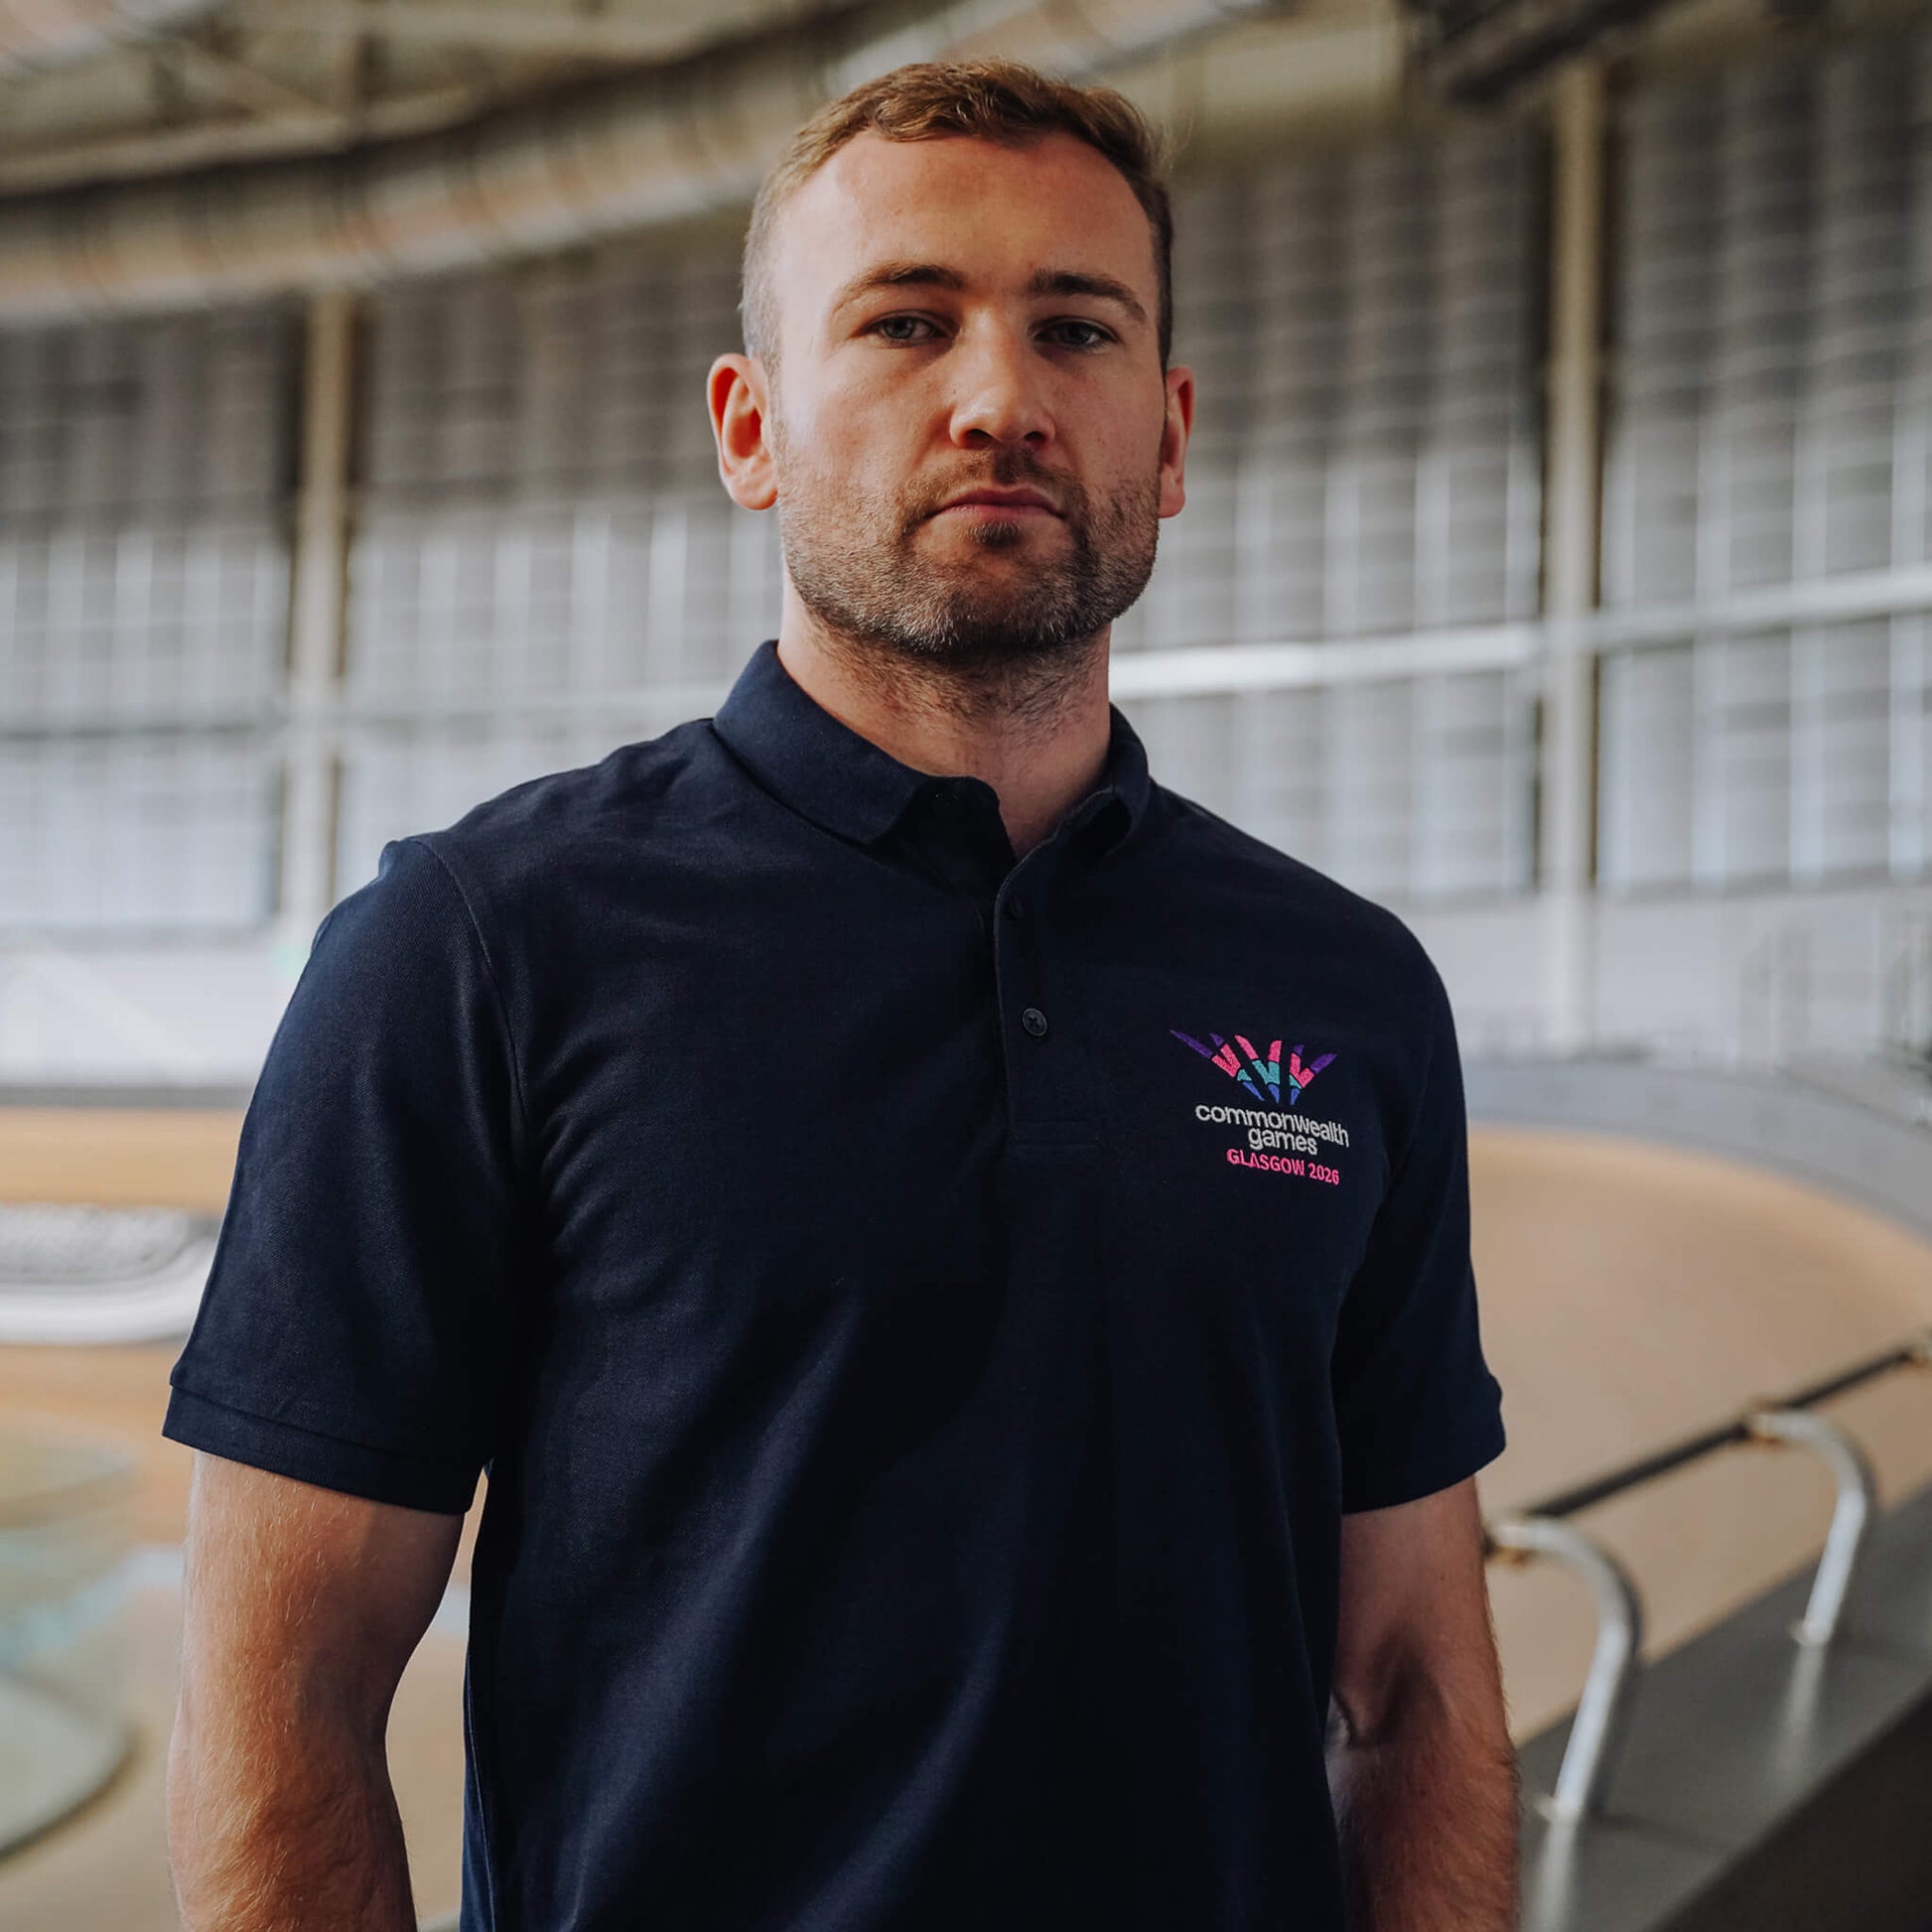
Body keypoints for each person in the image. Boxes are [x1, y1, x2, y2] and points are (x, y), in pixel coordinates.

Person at [162, 57, 1517, 1932]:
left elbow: (1419, 1682)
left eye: (1077, 328)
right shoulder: (482, 946)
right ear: (750, 426)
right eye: (904, 320)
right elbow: (278, 1700)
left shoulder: (1341, 990)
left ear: (1171, 433)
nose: (999, 397)